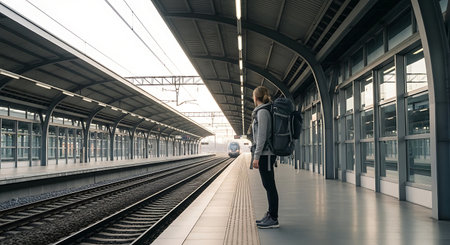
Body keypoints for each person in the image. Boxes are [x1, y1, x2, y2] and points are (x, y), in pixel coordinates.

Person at [251, 86, 279, 229]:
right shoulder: (264, 110)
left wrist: (256, 156)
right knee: (268, 185)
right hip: (266, 154)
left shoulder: (262, 112)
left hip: (265, 155)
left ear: (255, 98)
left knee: (269, 186)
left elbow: (261, 136)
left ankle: (273, 218)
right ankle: (270, 214)